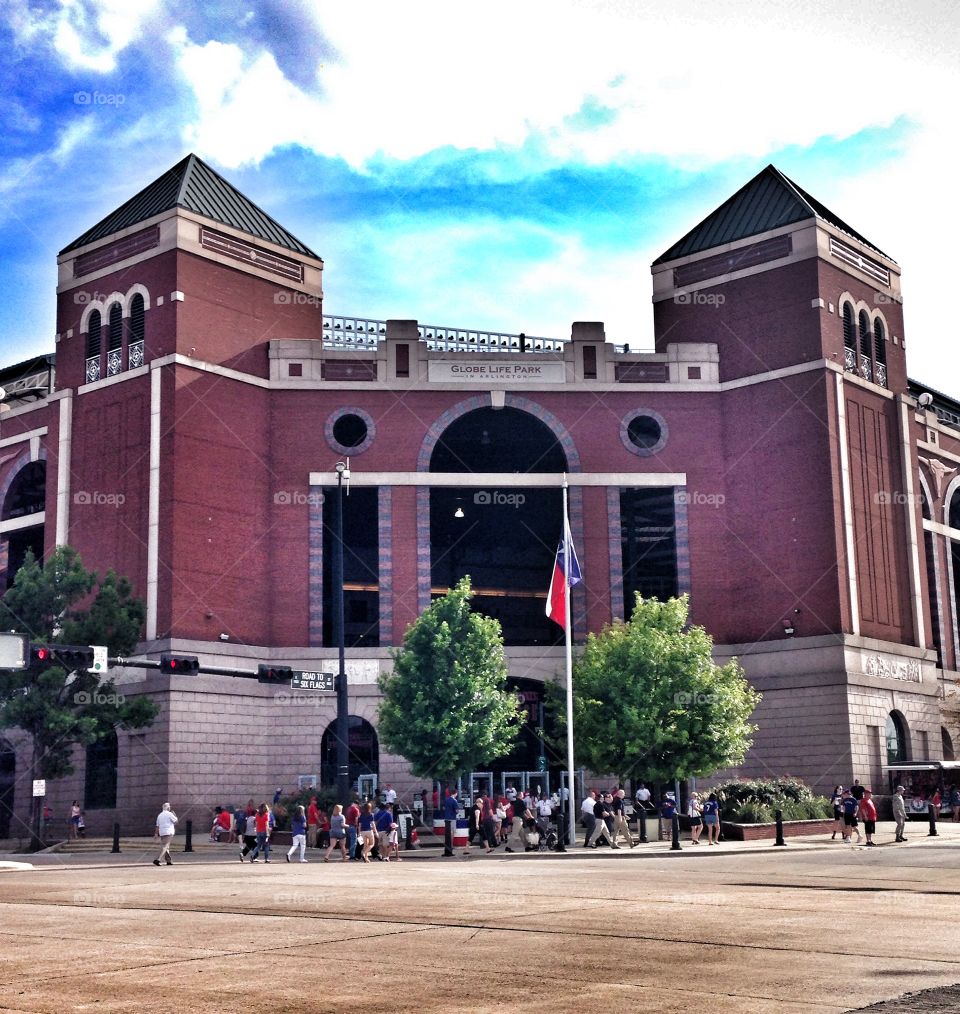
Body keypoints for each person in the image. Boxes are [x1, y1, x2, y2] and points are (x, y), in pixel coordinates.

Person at [153, 802, 178, 866]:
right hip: (169, 832)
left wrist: (156, 834)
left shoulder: (160, 815)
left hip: (162, 832)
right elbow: (176, 821)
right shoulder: (170, 814)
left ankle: (168, 861)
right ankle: (158, 859)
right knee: (165, 846)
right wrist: (175, 815)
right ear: (168, 807)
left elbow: (157, 826)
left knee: (166, 846)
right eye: (169, 807)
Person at [442, 789, 461, 857]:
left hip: (446, 818)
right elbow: (457, 810)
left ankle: (447, 849)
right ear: (455, 793)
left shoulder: (446, 799)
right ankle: (451, 847)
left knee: (447, 835)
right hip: (452, 819)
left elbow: (443, 808)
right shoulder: (454, 801)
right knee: (452, 833)